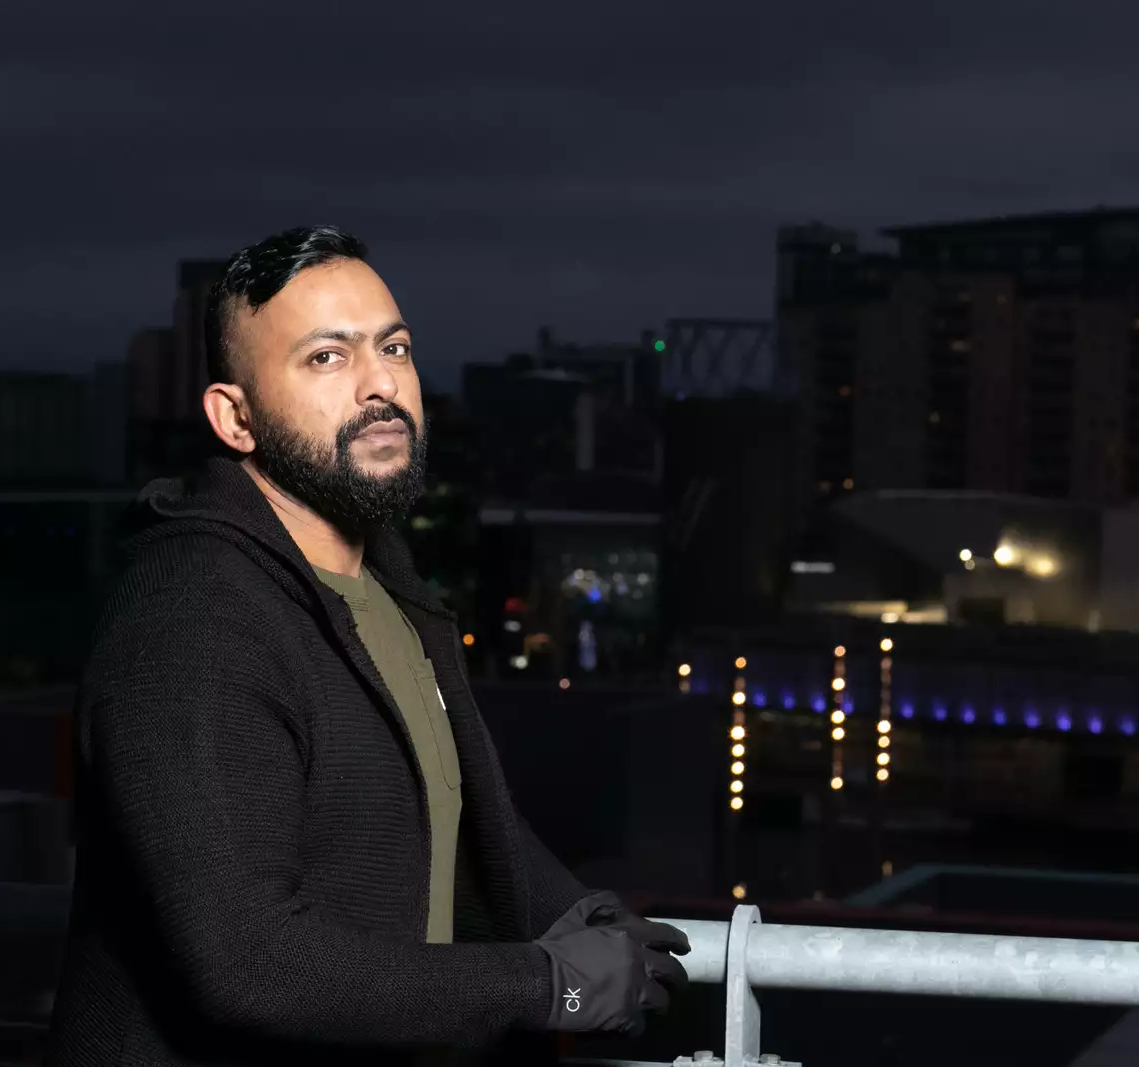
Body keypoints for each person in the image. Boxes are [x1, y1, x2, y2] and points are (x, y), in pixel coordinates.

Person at [45, 226, 688, 1066]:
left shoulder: (384, 582)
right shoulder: (190, 623)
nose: (382, 383)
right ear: (235, 418)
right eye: (326, 358)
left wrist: (568, 910)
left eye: (396, 347)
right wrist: (547, 983)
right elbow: (249, 963)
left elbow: (434, 791)